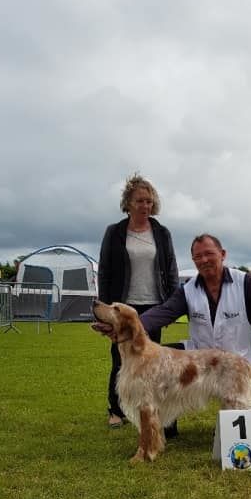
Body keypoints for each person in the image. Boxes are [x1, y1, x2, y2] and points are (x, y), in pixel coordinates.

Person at [139, 235, 251, 416]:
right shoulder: (187, 289)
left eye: (209, 254)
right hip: (201, 361)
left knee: (243, 416)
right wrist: (132, 324)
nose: (204, 260)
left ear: (223, 254)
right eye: (198, 256)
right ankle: (166, 420)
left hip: (239, 360)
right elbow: (164, 312)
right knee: (162, 359)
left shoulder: (245, 283)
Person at [98, 173, 179, 428]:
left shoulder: (162, 233)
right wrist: (106, 308)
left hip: (155, 306)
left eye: (149, 201)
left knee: (154, 363)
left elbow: (171, 268)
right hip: (123, 307)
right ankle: (116, 410)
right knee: (120, 359)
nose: (145, 205)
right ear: (128, 203)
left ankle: (152, 408)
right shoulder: (115, 232)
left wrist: (172, 304)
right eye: (140, 201)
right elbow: (105, 270)